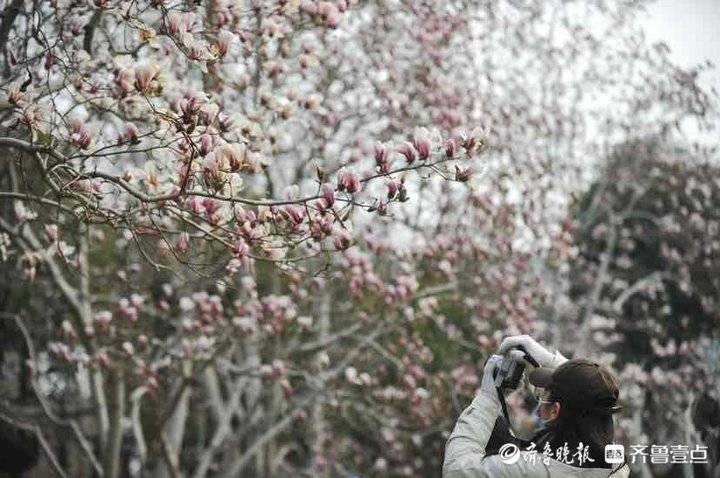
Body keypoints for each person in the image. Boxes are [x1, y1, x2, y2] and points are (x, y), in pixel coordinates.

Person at [443, 335, 630, 477]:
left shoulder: (533, 469)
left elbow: (456, 469)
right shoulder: (614, 465)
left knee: (493, 432)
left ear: (555, 411)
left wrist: (487, 399)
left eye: (544, 395)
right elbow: (599, 401)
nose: (540, 399)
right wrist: (554, 362)